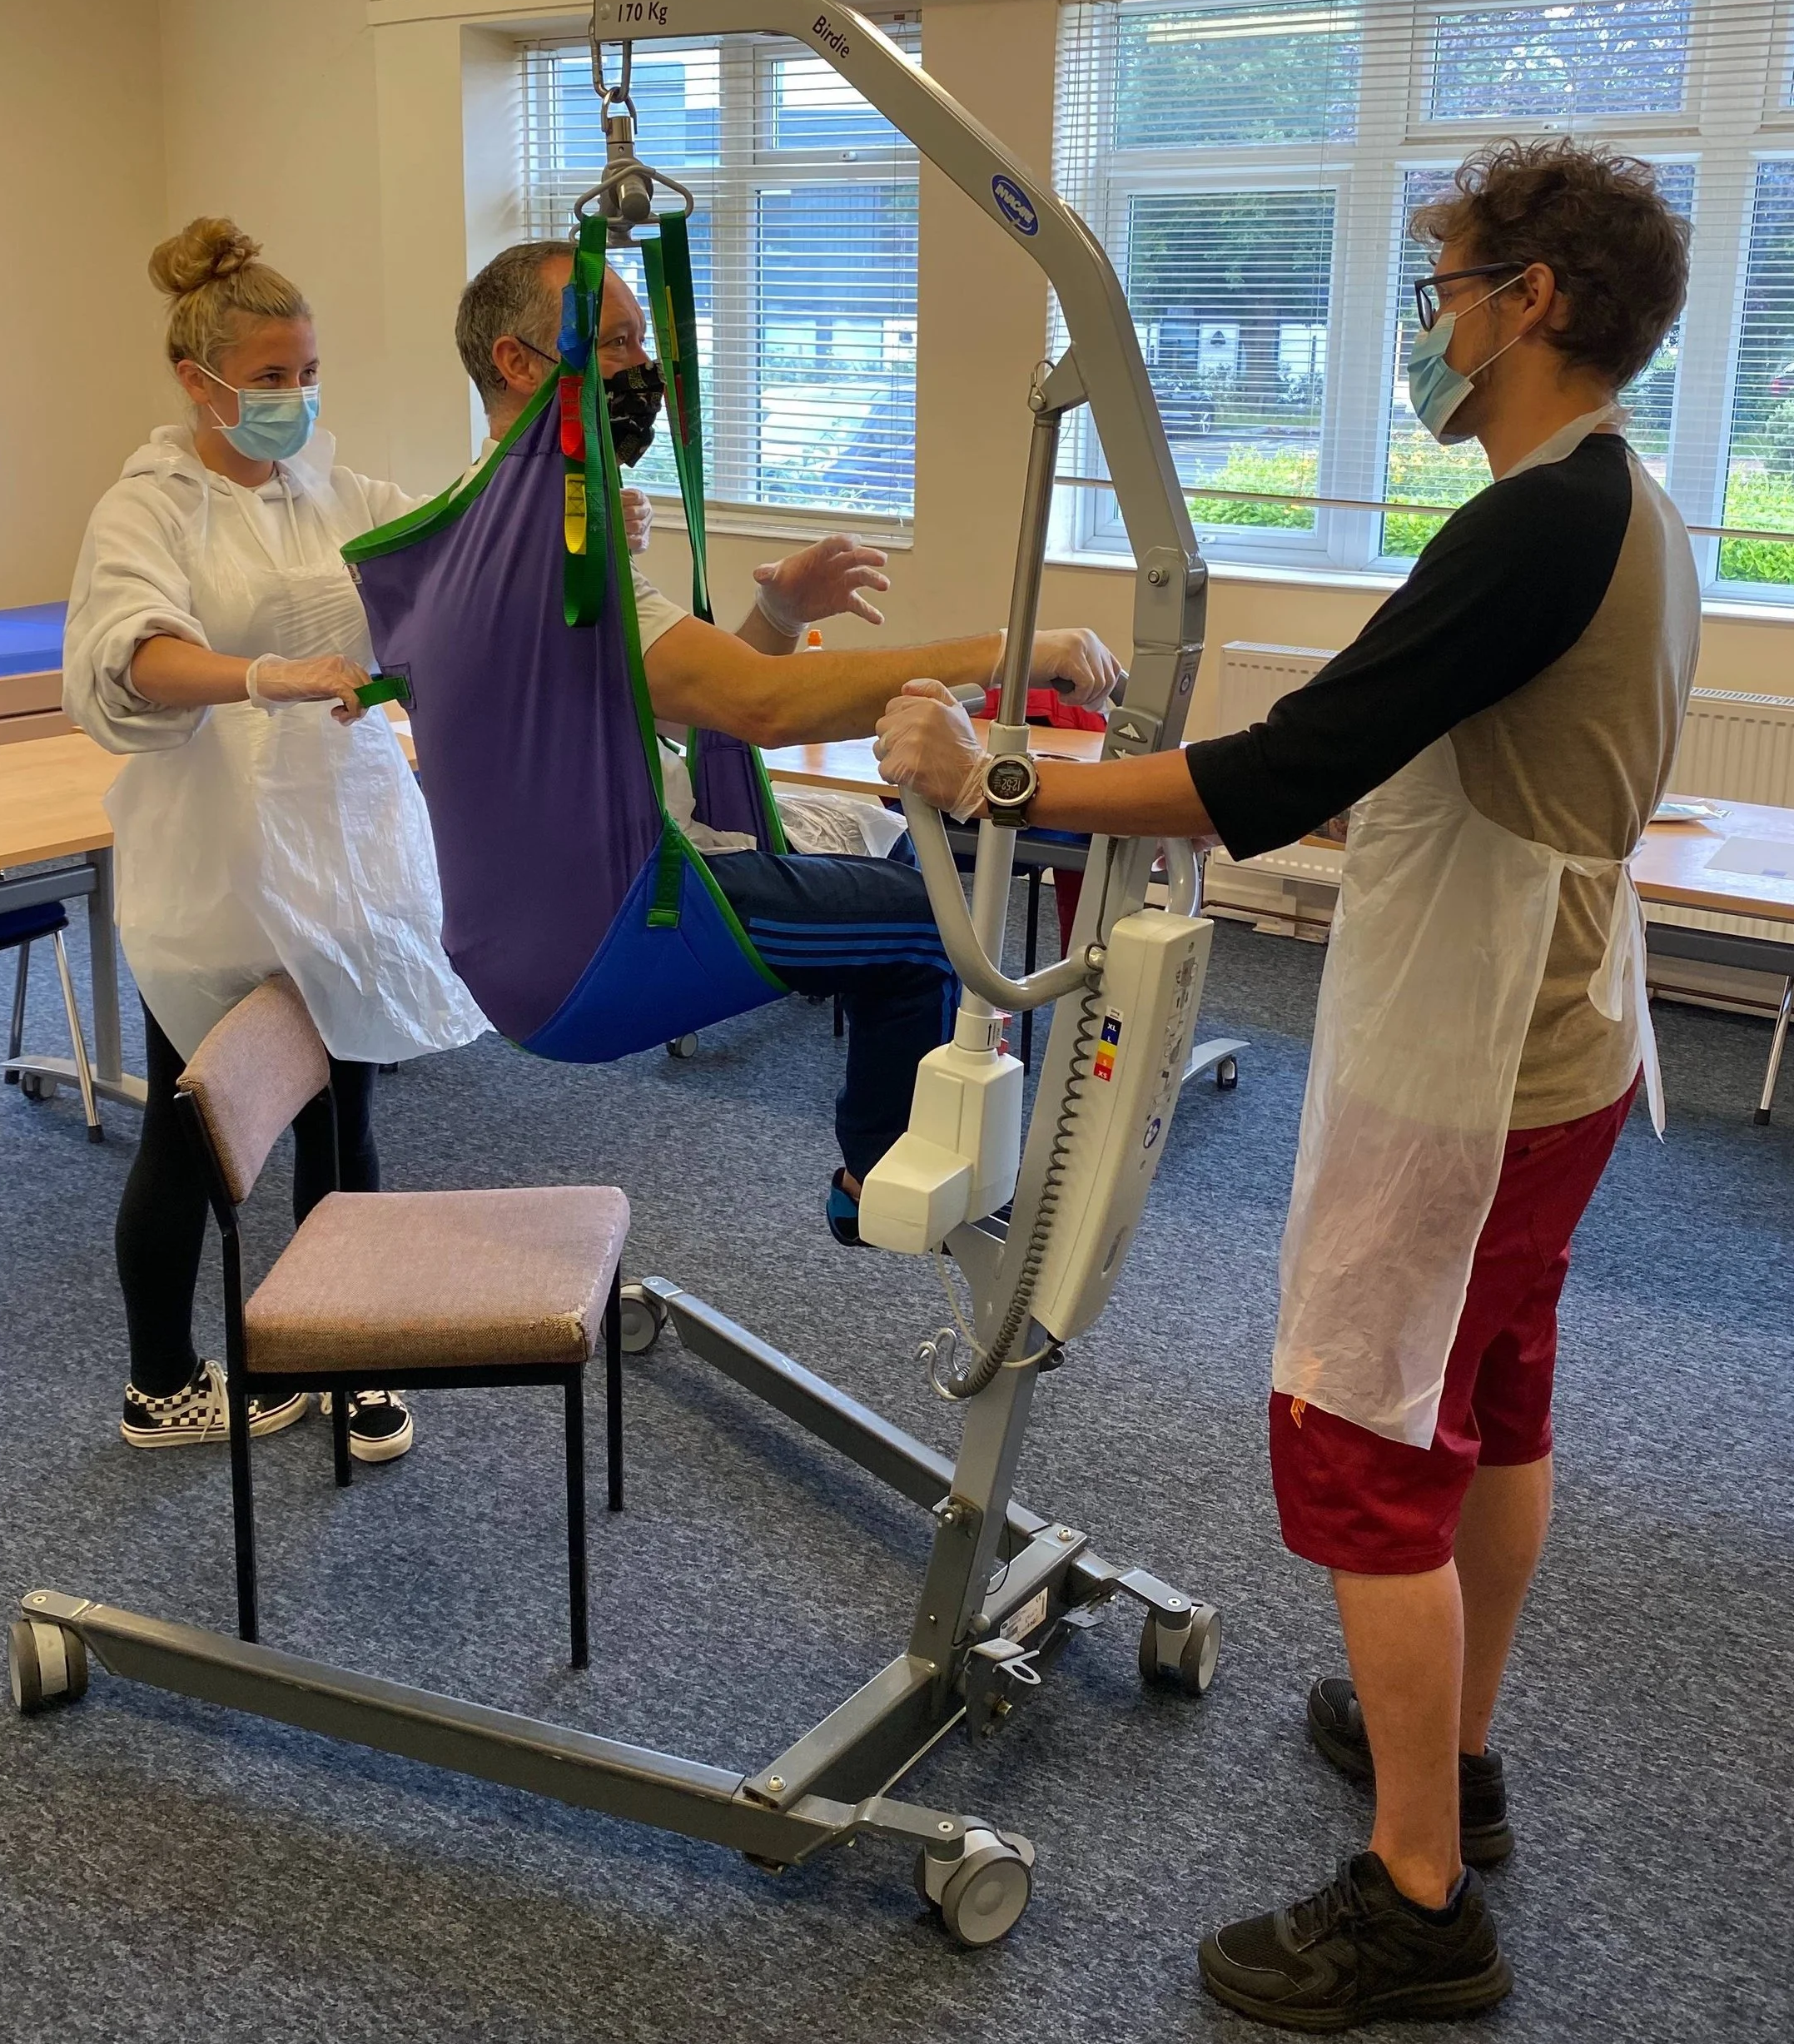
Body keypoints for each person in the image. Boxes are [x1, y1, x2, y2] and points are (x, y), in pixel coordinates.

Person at [877, 138, 1699, 2027]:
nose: (1431, 323)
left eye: (1445, 283)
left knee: (1364, 1440)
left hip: (1473, 1059)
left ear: (1534, 303)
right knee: (1486, 1399)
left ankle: (1418, 1903)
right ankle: (1455, 1764)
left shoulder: (1533, 524)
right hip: (1557, 1049)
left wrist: (998, 777)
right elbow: (1367, 755)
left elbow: (1280, 772)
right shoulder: (1624, 505)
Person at [455, 240, 1122, 1237]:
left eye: (646, 342)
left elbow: (672, 707)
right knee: (942, 928)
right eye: (614, 343)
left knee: (909, 907)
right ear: (518, 364)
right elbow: (762, 708)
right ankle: (882, 1184)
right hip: (608, 929)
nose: (641, 369)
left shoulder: (515, 522)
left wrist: (774, 613)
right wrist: (1008, 652)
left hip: (532, 932)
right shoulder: (544, 545)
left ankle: (880, 1172)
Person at [67, 219, 492, 1463]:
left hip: (344, 852)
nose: (295, 398)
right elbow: (129, 654)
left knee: (342, 1113)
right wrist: (256, 674)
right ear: (198, 382)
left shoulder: (338, 494)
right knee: (200, 1129)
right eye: (268, 379)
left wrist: (580, 538)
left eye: (306, 374)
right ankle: (159, 1381)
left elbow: (457, 551)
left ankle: (345, 1350)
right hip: (218, 864)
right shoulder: (147, 508)